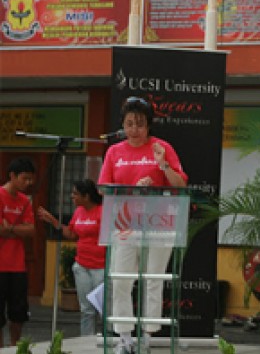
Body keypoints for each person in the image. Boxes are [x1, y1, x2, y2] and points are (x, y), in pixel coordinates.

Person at [98, 96, 187, 354]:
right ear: (122, 125)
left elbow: (180, 184)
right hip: (124, 224)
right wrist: (130, 190)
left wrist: (163, 165)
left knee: (153, 279)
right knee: (122, 280)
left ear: (149, 125)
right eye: (129, 124)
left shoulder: (162, 147)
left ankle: (147, 336)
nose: (134, 130)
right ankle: (124, 337)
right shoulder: (114, 151)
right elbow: (103, 189)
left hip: (159, 222)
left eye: (139, 124)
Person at [36, 179, 105, 336]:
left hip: (101, 267)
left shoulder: (102, 211)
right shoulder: (79, 212)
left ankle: (107, 342)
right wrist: (53, 221)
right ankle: (86, 344)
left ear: (86, 196)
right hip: (82, 266)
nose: (72, 197)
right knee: (86, 309)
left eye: (75, 194)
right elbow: (72, 234)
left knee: (104, 309)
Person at [0, 157, 36, 347]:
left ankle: (15, 348)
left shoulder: (25, 200)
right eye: (25, 178)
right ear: (12, 176)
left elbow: (31, 230)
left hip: (18, 266)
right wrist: (17, 228)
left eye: (31, 180)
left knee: (18, 314)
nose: (28, 183)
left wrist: (11, 229)